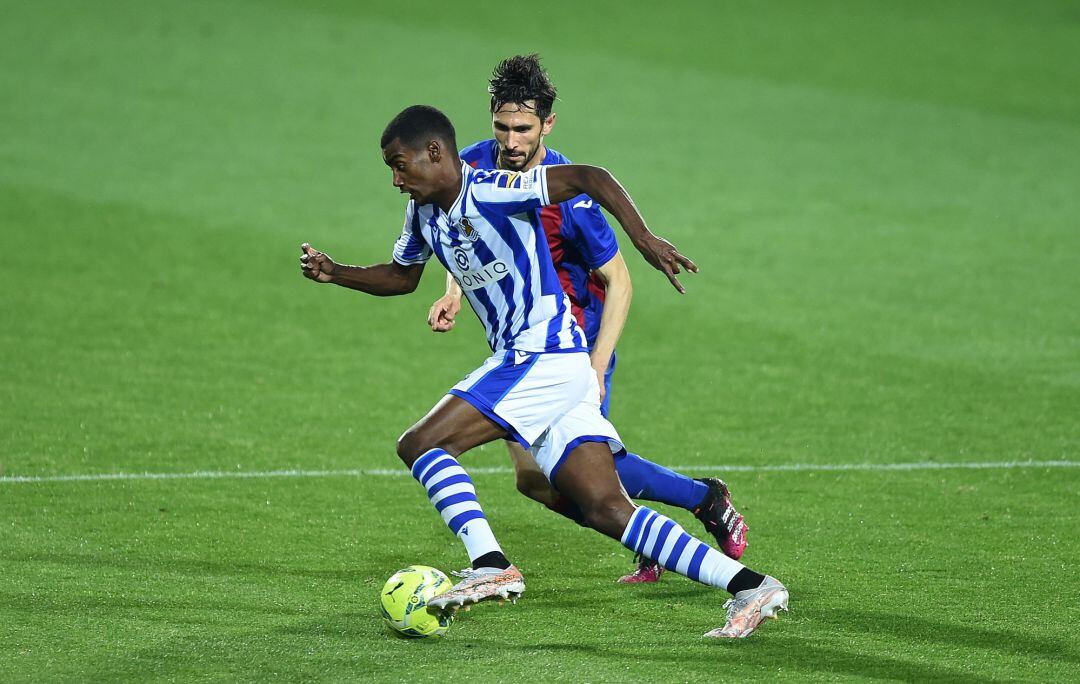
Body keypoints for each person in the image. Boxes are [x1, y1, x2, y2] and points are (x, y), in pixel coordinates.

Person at [300, 105, 788, 638]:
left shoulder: (493, 189)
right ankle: (752, 586)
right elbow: (401, 276)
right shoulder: (423, 214)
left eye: (400, 165)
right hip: (554, 364)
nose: (395, 179)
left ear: (434, 153)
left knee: (420, 444)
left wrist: (644, 239)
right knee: (605, 507)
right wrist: (337, 273)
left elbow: (591, 177)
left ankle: (489, 564)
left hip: (540, 355)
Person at [426, 54, 747, 583]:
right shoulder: (472, 165)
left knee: (582, 470)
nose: (511, 140)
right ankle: (652, 526)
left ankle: (703, 500)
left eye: (524, 129)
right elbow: (467, 235)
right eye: (502, 126)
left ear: (547, 124)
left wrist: (597, 366)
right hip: (520, 344)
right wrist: (454, 291)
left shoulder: (570, 196)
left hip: (573, 345)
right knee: (534, 481)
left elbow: (620, 281)